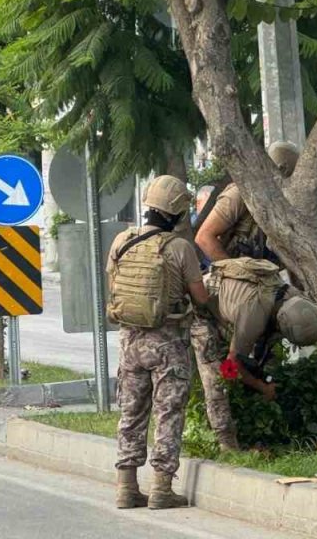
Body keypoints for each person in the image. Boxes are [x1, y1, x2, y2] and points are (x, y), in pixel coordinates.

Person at [106, 175, 210, 510]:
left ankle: (126, 487)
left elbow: (114, 285)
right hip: (168, 343)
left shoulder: (123, 240)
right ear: (179, 212)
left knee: (131, 412)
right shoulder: (180, 248)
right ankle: (162, 488)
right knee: (168, 413)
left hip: (130, 340)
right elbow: (201, 298)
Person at [192, 256, 317, 450]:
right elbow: (231, 366)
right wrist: (261, 386)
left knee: (265, 364)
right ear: (279, 324)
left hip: (233, 309)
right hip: (201, 308)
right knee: (217, 381)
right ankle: (226, 445)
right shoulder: (253, 315)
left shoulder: (297, 301)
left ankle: (258, 438)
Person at [196, 141, 300, 263]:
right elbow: (204, 237)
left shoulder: (282, 204)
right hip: (237, 275)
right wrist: (238, 274)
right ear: (283, 169)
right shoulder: (240, 193)